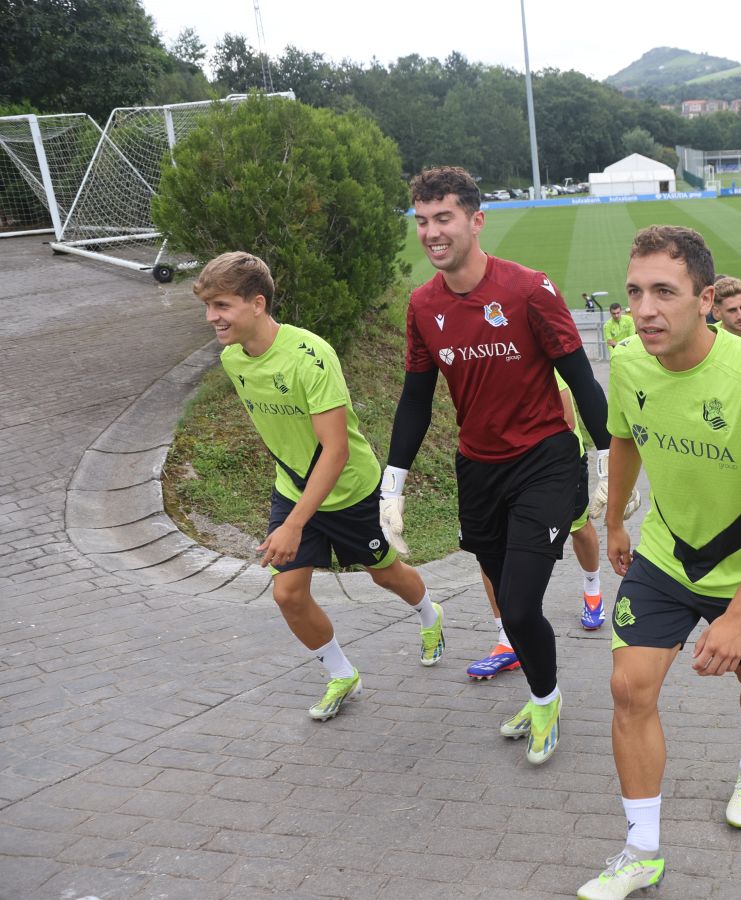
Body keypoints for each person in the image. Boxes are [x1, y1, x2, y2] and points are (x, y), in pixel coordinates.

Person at [577, 226, 741, 900]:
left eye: (665, 292)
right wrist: (616, 518)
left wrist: (737, 617)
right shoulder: (626, 362)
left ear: (705, 299)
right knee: (628, 689)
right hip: (666, 556)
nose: (646, 309)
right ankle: (642, 851)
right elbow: (624, 440)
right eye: (635, 292)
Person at [379, 166, 613, 765]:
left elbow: (579, 375)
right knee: (502, 593)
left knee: (520, 603)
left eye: (444, 219)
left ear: (475, 221)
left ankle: (545, 701)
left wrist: (608, 457)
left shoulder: (529, 288)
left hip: (545, 461)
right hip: (477, 469)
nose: (431, 232)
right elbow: (415, 398)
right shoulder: (422, 304)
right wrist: (394, 481)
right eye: (422, 221)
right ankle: (541, 690)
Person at [194, 252, 442, 722]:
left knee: (386, 573)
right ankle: (341, 674)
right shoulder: (232, 360)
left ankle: (431, 616)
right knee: (287, 593)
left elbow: (336, 451)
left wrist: (293, 525)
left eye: (221, 306)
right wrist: (291, 512)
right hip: (293, 488)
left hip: (350, 490)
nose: (212, 318)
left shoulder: (312, 356)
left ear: (257, 304)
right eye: (208, 307)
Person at [467, 370, 639, 679]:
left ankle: (593, 592)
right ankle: (506, 641)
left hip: (551, 463)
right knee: (490, 545)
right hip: (495, 466)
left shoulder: (529, 349)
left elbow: (568, 418)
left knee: (578, 526)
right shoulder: (475, 355)